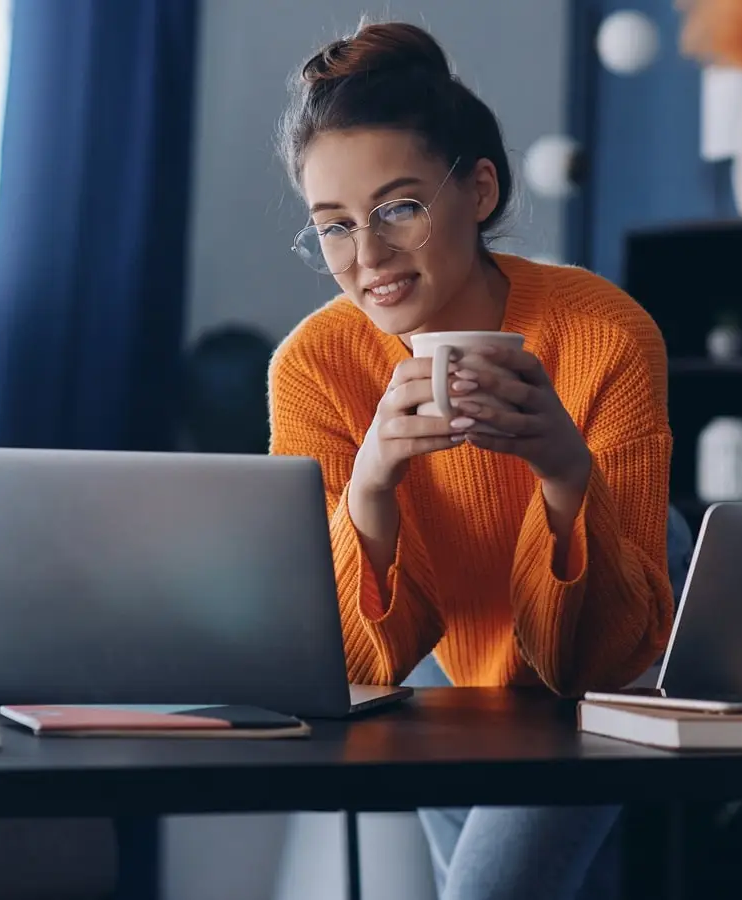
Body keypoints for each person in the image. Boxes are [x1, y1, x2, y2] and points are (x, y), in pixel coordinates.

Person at [266, 20, 675, 900]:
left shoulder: (604, 333)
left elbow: (601, 657)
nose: (367, 258)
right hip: (441, 652)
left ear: (479, 189)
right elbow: (342, 667)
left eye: (399, 208)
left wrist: (568, 474)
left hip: (610, 643)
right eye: (333, 227)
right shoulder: (316, 367)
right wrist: (372, 483)